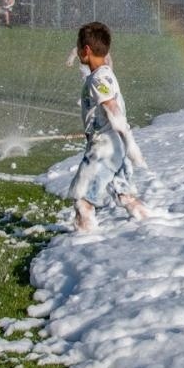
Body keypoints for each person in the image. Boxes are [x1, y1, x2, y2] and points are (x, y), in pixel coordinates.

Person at [66, 21, 152, 232]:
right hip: (116, 147)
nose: (77, 52)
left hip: (105, 146)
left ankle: (83, 242)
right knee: (125, 195)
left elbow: (113, 110)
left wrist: (133, 148)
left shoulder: (99, 79)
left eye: (78, 48)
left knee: (83, 198)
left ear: (86, 50)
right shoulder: (105, 73)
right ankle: (150, 225)